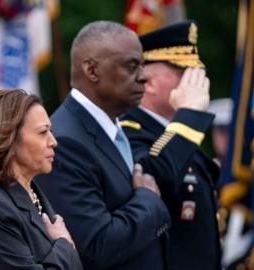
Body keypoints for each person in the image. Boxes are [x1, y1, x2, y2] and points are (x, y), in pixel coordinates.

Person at [35, 21, 170, 270]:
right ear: (92, 70)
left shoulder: (114, 129)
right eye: (131, 66)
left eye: (142, 65)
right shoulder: (64, 142)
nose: (144, 76)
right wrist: (149, 200)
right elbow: (95, 247)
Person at [121, 21, 221, 270]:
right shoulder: (127, 132)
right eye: (183, 72)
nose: (195, 81)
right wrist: (188, 115)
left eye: (196, 72)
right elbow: (154, 173)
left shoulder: (175, 132)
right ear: (149, 81)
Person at [0, 89, 82, 270]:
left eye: (51, 131)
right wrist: (64, 244)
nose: (53, 141)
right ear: (9, 139)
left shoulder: (34, 193)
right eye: (42, 132)